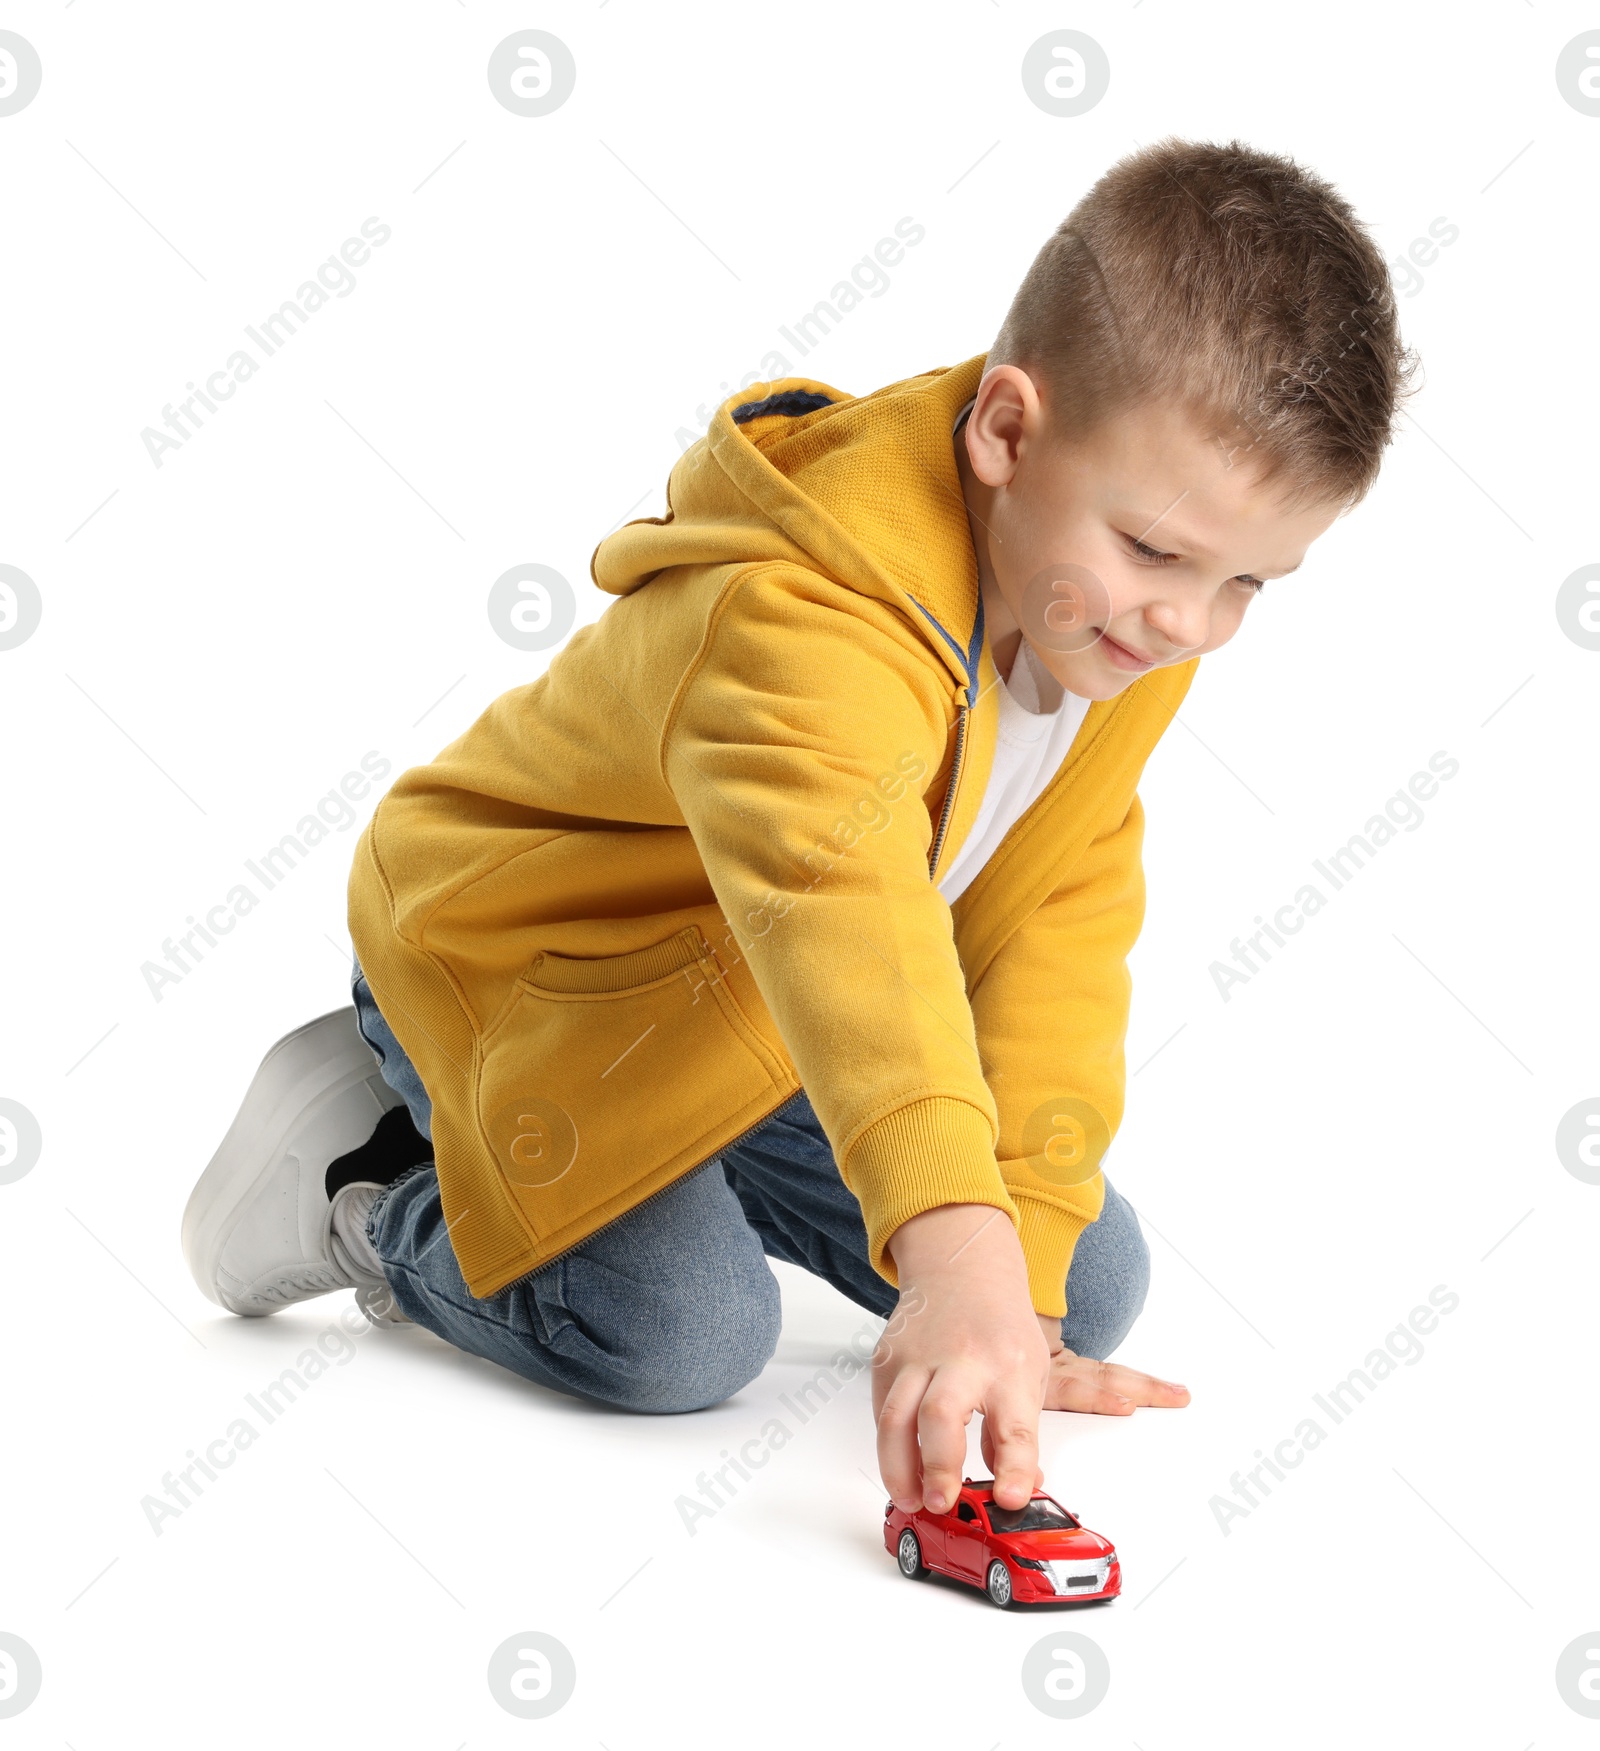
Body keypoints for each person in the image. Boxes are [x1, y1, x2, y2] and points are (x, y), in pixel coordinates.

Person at [181, 138, 1414, 1522]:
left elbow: (1065, 928)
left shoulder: (1114, 634)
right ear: (1008, 433)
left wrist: (1020, 1280)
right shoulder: (804, 624)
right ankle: (370, 1187)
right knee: (683, 1338)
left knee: (1085, 1283)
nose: (1190, 623)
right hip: (522, 965)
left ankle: (696, 1173)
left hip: (761, 1009)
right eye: (1158, 553)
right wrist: (952, 1266)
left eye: (1251, 581)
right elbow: (851, 923)